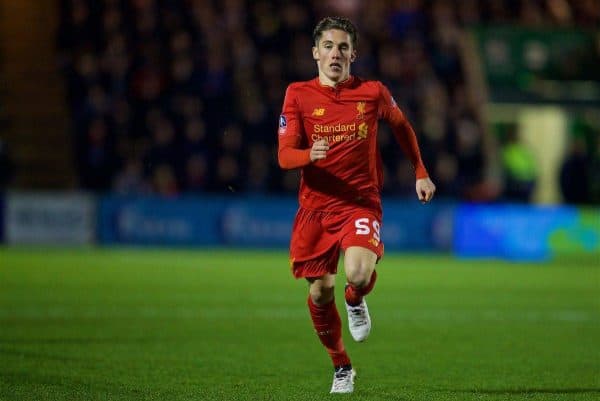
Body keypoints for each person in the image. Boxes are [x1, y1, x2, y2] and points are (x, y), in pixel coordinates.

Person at [277, 16, 436, 394]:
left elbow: (401, 126)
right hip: (315, 209)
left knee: (359, 275)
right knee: (318, 293)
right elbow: (284, 155)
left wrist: (421, 171)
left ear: (354, 54)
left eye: (343, 47)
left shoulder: (373, 92)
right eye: (329, 46)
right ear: (315, 53)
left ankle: (355, 299)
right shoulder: (297, 94)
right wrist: (307, 156)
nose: (336, 53)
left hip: (360, 203)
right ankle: (341, 366)